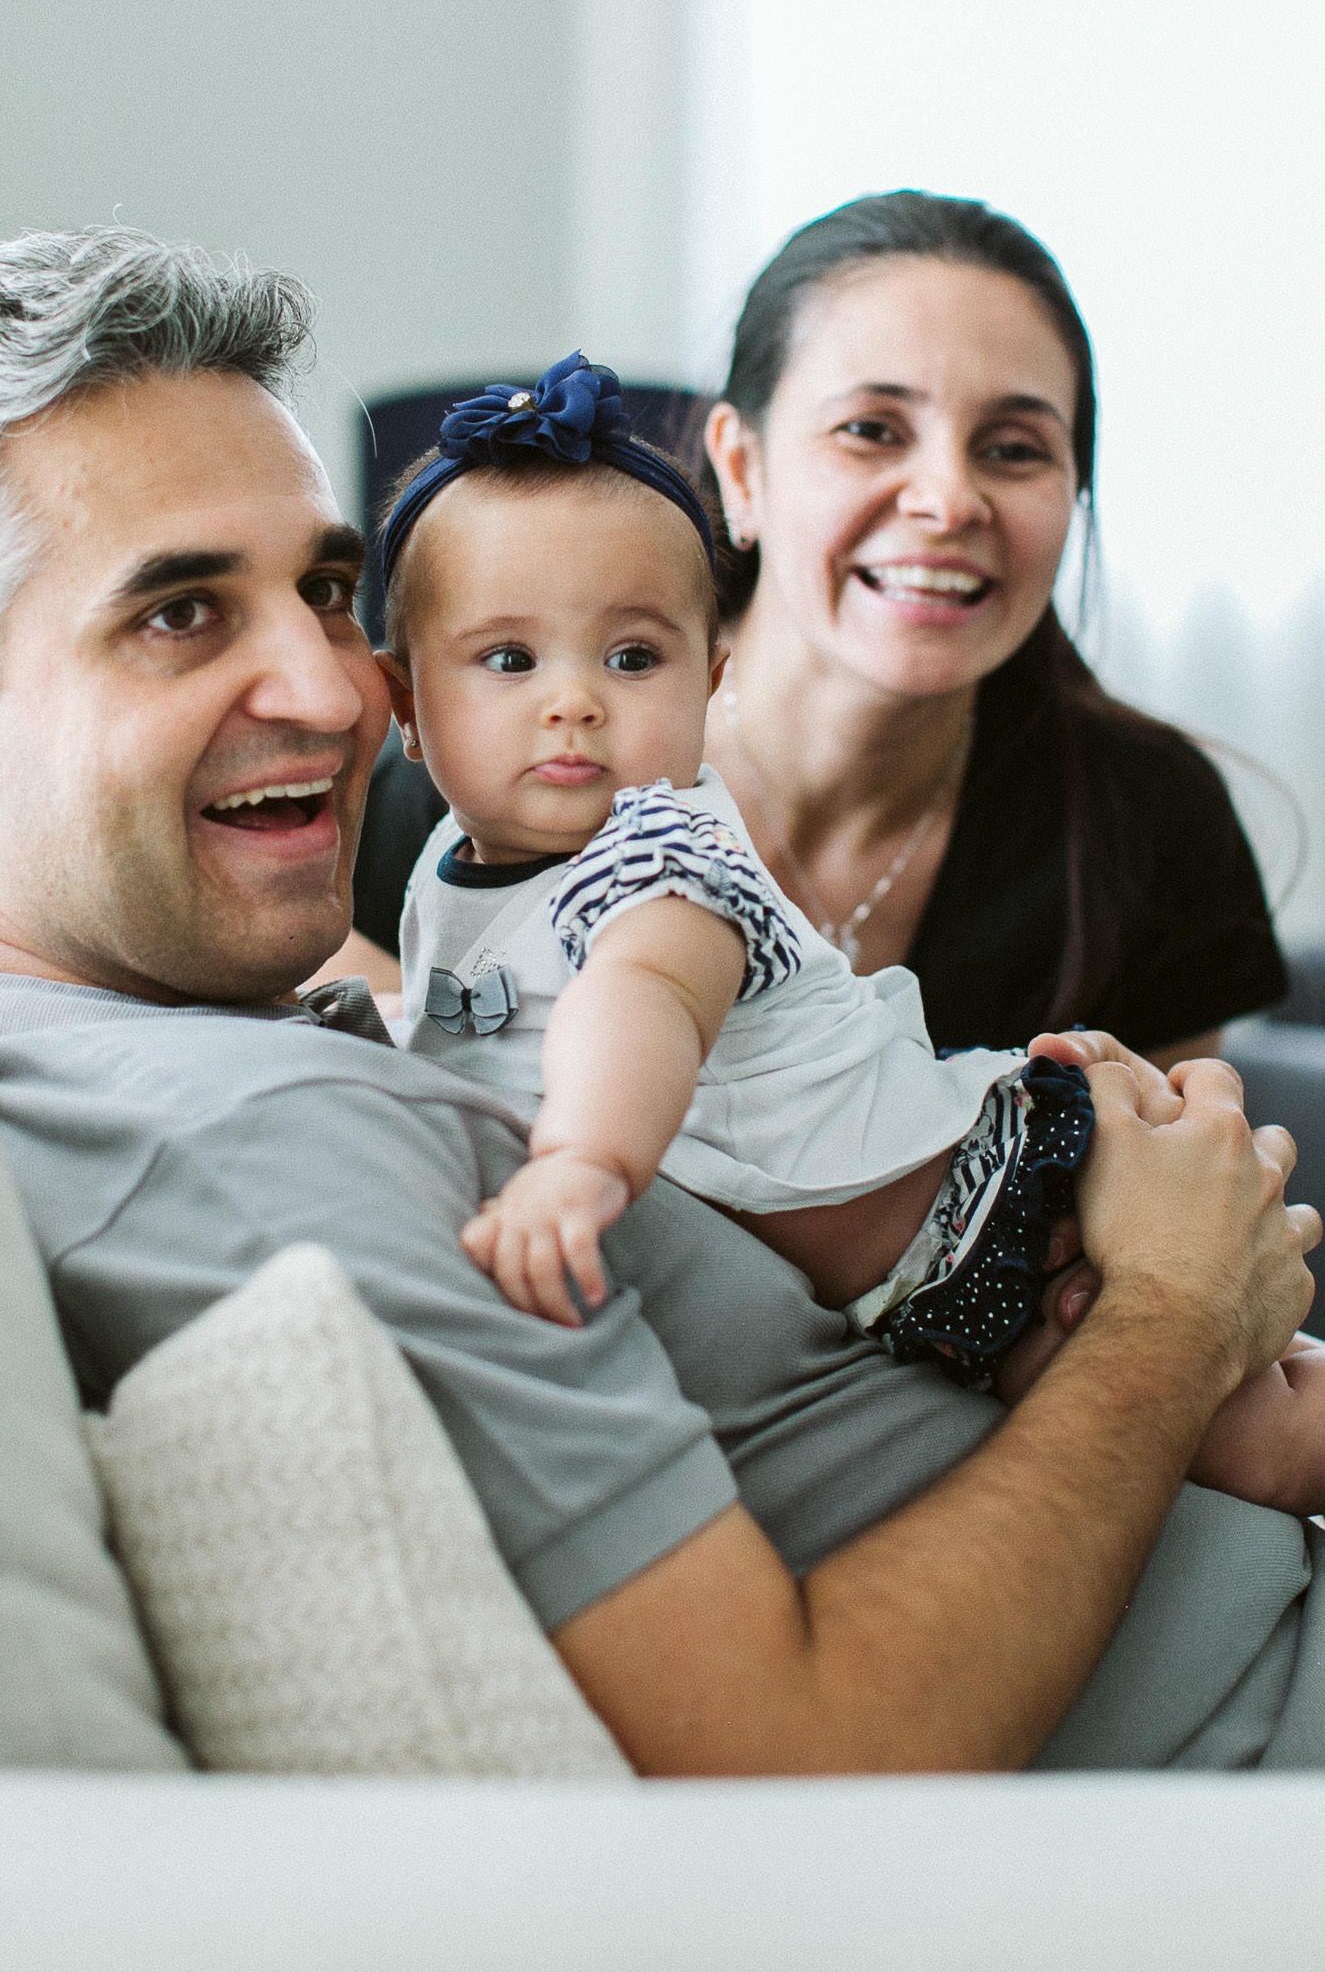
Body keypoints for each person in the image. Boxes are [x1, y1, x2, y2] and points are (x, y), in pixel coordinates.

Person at [0, 226, 1318, 1778]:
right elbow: (797, 1745)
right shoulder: (258, 1143)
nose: (342, 696)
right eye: (180, 612)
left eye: (328, 591)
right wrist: (1167, 1316)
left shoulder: (92, 1009)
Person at [376, 349, 1325, 1513]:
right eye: (508, 660)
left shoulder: (661, 856)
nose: (574, 701)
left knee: (1266, 1444)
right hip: (908, 1291)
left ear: (708, 679)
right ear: (406, 705)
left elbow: (644, 1003)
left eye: (633, 658)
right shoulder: (444, 862)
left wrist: (580, 1164)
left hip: (999, 1211)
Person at [344, 192, 1287, 1069]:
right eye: (872, 430)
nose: (949, 501)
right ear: (740, 467)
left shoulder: (1151, 822)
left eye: (1013, 449)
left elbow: (1172, 1180)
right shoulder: (476, 778)